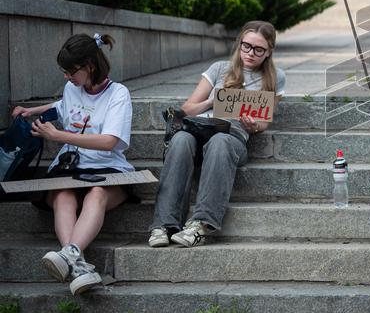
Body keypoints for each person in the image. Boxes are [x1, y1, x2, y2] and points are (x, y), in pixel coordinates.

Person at [11, 33, 134, 295]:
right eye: (64, 71)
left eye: (70, 71)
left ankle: (67, 255)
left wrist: (57, 136)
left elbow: (110, 141)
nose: (67, 77)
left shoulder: (118, 94)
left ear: (89, 65)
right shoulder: (72, 88)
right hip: (71, 165)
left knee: (96, 193)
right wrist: (32, 111)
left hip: (107, 168)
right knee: (63, 195)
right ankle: (77, 265)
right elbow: (63, 105)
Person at [148, 21, 286, 247]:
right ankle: (163, 225)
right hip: (199, 129)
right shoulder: (220, 69)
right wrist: (214, 99)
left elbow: (263, 123)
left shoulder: (275, 77)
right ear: (239, 43)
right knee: (181, 139)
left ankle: (200, 225)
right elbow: (186, 109)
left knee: (221, 141)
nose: (250, 53)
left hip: (231, 137)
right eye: (246, 46)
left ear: (269, 51)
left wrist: (252, 125)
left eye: (258, 49)